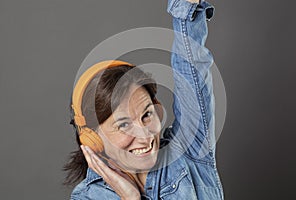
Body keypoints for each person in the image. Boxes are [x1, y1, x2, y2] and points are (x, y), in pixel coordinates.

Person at [64, 0, 224, 199]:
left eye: (146, 114)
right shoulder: (87, 197)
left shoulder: (189, 149)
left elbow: (191, 68)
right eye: (123, 124)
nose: (145, 135)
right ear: (93, 139)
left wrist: (186, 6)